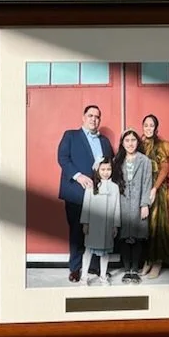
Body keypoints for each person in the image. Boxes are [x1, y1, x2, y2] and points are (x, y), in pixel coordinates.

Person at [56, 103, 114, 282]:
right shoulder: (70, 136)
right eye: (90, 115)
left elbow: (111, 165)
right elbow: (62, 158)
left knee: (97, 231)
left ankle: (95, 267)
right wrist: (79, 176)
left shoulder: (104, 141)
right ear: (83, 117)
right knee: (77, 231)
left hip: (98, 196)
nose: (94, 119)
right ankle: (75, 269)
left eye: (97, 117)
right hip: (76, 192)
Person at [115, 127, 154, 282]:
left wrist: (145, 204)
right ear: (122, 143)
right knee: (124, 237)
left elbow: (147, 183)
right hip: (122, 204)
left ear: (137, 142)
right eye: (127, 140)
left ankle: (135, 270)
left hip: (138, 203)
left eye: (133, 140)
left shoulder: (145, 161)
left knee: (137, 237)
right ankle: (127, 270)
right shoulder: (117, 160)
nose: (130, 144)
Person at [140, 111, 169, 277]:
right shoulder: (139, 144)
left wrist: (154, 189)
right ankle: (148, 260)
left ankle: (158, 262)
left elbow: (165, 169)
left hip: (157, 190)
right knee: (145, 227)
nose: (148, 128)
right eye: (146, 125)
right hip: (142, 188)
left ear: (156, 128)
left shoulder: (162, 145)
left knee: (157, 225)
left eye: (151, 125)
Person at [79, 157, 121, 283]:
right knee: (88, 250)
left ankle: (103, 275)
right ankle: (84, 275)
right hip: (93, 224)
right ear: (97, 170)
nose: (106, 172)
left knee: (105, 252)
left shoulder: (114, 187)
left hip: (108, 225)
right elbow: (86, 205)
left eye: (108, 169)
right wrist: (85, 223)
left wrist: (115, 225)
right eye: (103, 169)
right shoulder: (92, 186)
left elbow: (117, 207)